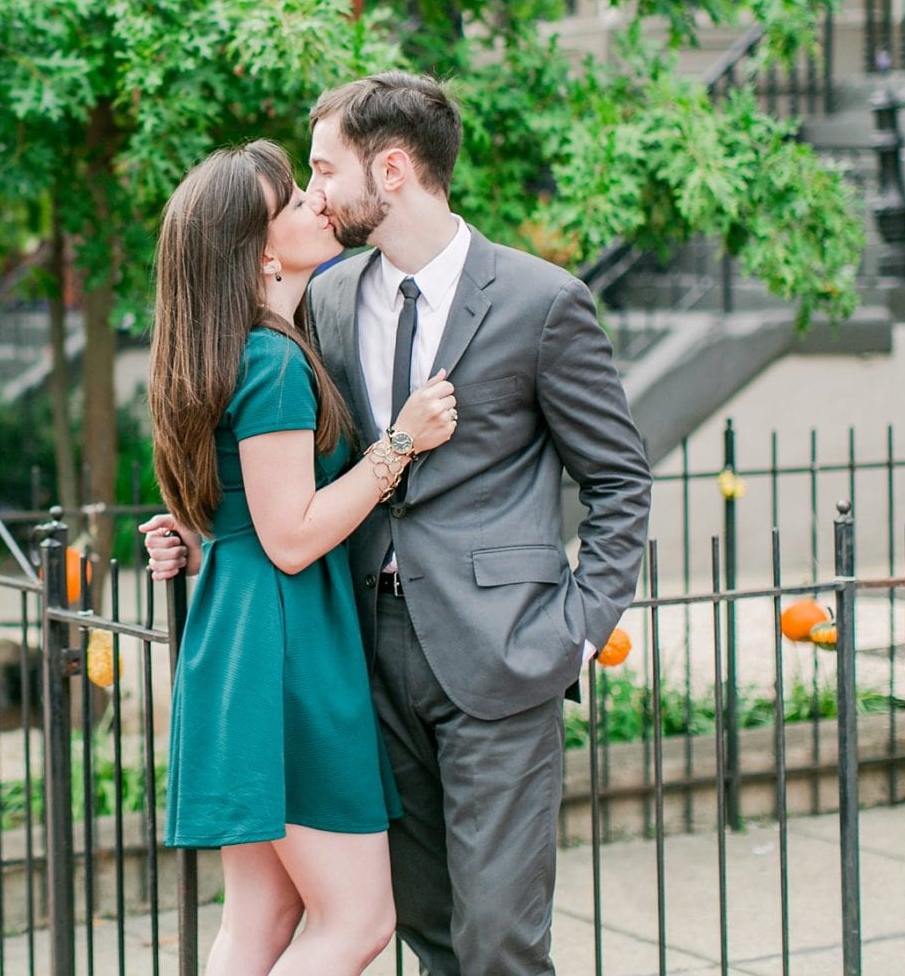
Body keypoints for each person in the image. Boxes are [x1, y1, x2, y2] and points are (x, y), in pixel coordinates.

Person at [146, 73, 652, 976]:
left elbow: (619, 480)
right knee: (423, 926)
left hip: (500, 656)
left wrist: (575, 637)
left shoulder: (542, 302)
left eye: (322, 169)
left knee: (499, 934)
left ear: (389, 170)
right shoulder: (325, 303)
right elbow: (278, 466)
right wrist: (210, 523)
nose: (316, 192)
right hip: (358, 658)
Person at [147, 138, 458, 976]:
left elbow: (245, 510)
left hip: (240, 637)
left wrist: (193, 535)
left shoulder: (229, 353)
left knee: (261, 917)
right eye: (291, 203)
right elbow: (292, 533)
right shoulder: (272, 361)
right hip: (286, 649)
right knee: (357, 921)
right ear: (253, 250)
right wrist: (400, 444)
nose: (315, 205)